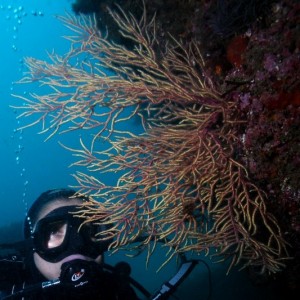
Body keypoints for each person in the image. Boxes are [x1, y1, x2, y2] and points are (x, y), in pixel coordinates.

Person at [0, 188, 140, 300]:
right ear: (31, 245)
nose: (77, 245)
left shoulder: (117, 290)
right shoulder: (10, 284)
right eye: (53, 232)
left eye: (90, 230)